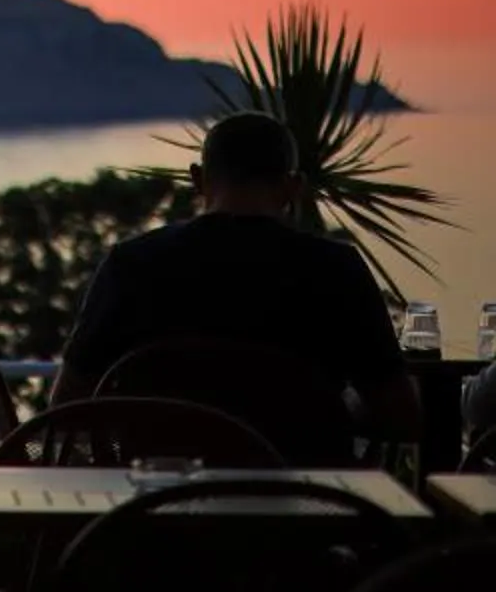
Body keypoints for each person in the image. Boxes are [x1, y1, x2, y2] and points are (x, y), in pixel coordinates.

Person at [54, 110, 420, 460]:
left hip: (160, 509)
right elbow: (401, 415)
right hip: (306, 511)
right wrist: (339, 408)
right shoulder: (337, 270)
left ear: (198, 179)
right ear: (294, 187)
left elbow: (66, 405)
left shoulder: (131, 265)